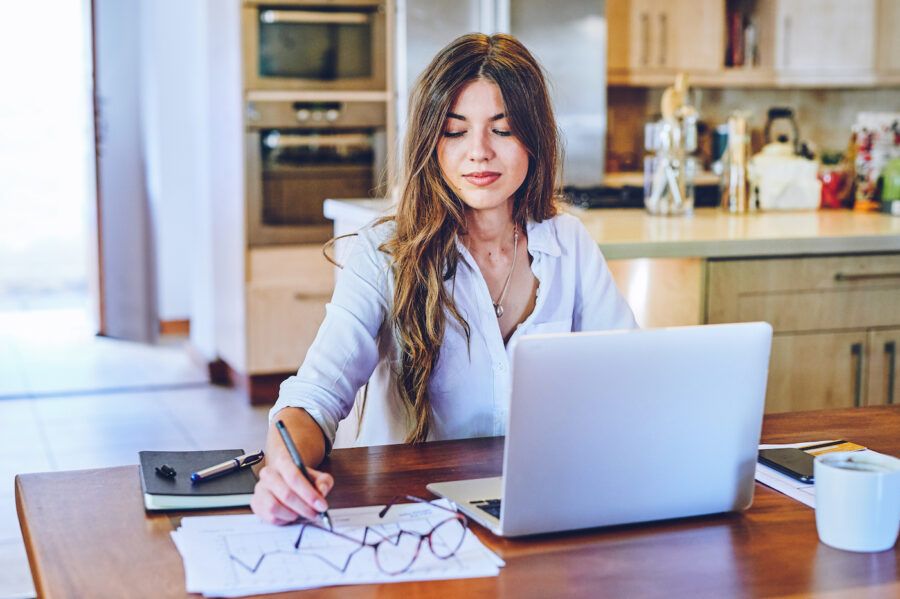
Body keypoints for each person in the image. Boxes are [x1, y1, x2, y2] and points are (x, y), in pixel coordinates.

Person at [251, 33, 637, 525]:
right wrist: (284, 469)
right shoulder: (384, 252)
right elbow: (315, 395)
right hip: (416, 517)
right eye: (455, 131)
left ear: (534, 138)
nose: (479, 152)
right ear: (430, 141)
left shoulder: (569, 243)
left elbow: (628, 381)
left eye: (503, 129)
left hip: (543, 505)